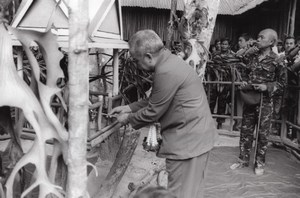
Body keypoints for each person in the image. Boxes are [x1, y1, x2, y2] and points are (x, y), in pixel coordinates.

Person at [110, 29, 218, 198]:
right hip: (195, 137)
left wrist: (127, 119)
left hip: (188, 142)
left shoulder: (165, 72)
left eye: (137, 61)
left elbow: (153, 111)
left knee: (180, 193)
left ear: (148, 57)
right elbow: (157, 98)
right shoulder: (170, 62)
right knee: (191, 191)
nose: (137, 66)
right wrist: (129, 108)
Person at [230, 29, 286, 175]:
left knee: (262, 134)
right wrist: (248, 48)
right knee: (246, 131)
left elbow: (282, 84)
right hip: (250, 99)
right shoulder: (252, 57)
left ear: (271, 42)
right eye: (258, 36)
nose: (258, 39)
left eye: (262, 37)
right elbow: (238, 58)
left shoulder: (277, 60)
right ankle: (242, 160)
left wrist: (266, 86)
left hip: (265, 102)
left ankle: (259, 163)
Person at [208, 38, 235, 129]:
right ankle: (208, 121)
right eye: (222, 44)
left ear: (229, 45)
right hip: (215, 81)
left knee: (222, 103)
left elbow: (234, 68)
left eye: (225, 44)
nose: (223, 46)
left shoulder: (232, 55)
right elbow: (210, 65)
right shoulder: (215, 54)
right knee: (211, 101)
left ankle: (220, 122)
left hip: (225, 82)